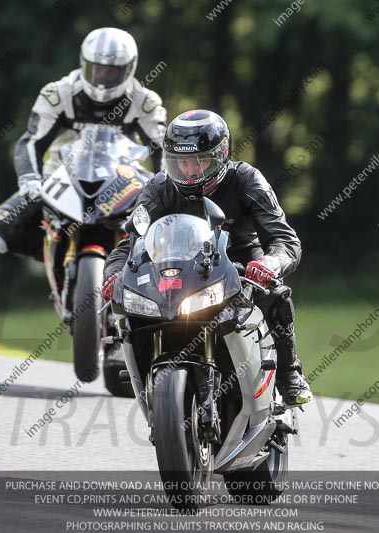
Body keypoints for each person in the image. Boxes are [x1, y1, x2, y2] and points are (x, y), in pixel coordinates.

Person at [101, 109, 313, 406]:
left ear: (222, 155)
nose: (190, 171)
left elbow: (284, 239)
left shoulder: (248, 180)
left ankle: (289, 373)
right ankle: (142, 367)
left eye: (200, 161)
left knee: (275, 295)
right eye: (182, 162)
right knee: (132, 305)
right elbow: (129, 243)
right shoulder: (159, 187)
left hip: (240, 259)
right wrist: (112, 274)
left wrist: (269, 263)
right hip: (175, 265)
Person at [0, 27, 167, 259]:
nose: (103, 78)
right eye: (97, 69)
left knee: (170, 223)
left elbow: (162, 149)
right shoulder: (58, 94)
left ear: (129, 69)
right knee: (1, 222)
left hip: (122, 186)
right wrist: (30, 180)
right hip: (60, 182)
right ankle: (55, 255)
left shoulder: (145, 102)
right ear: (84, 63)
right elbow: (32, 141)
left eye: (112, 72)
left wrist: (164, 190)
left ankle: (135, 269)